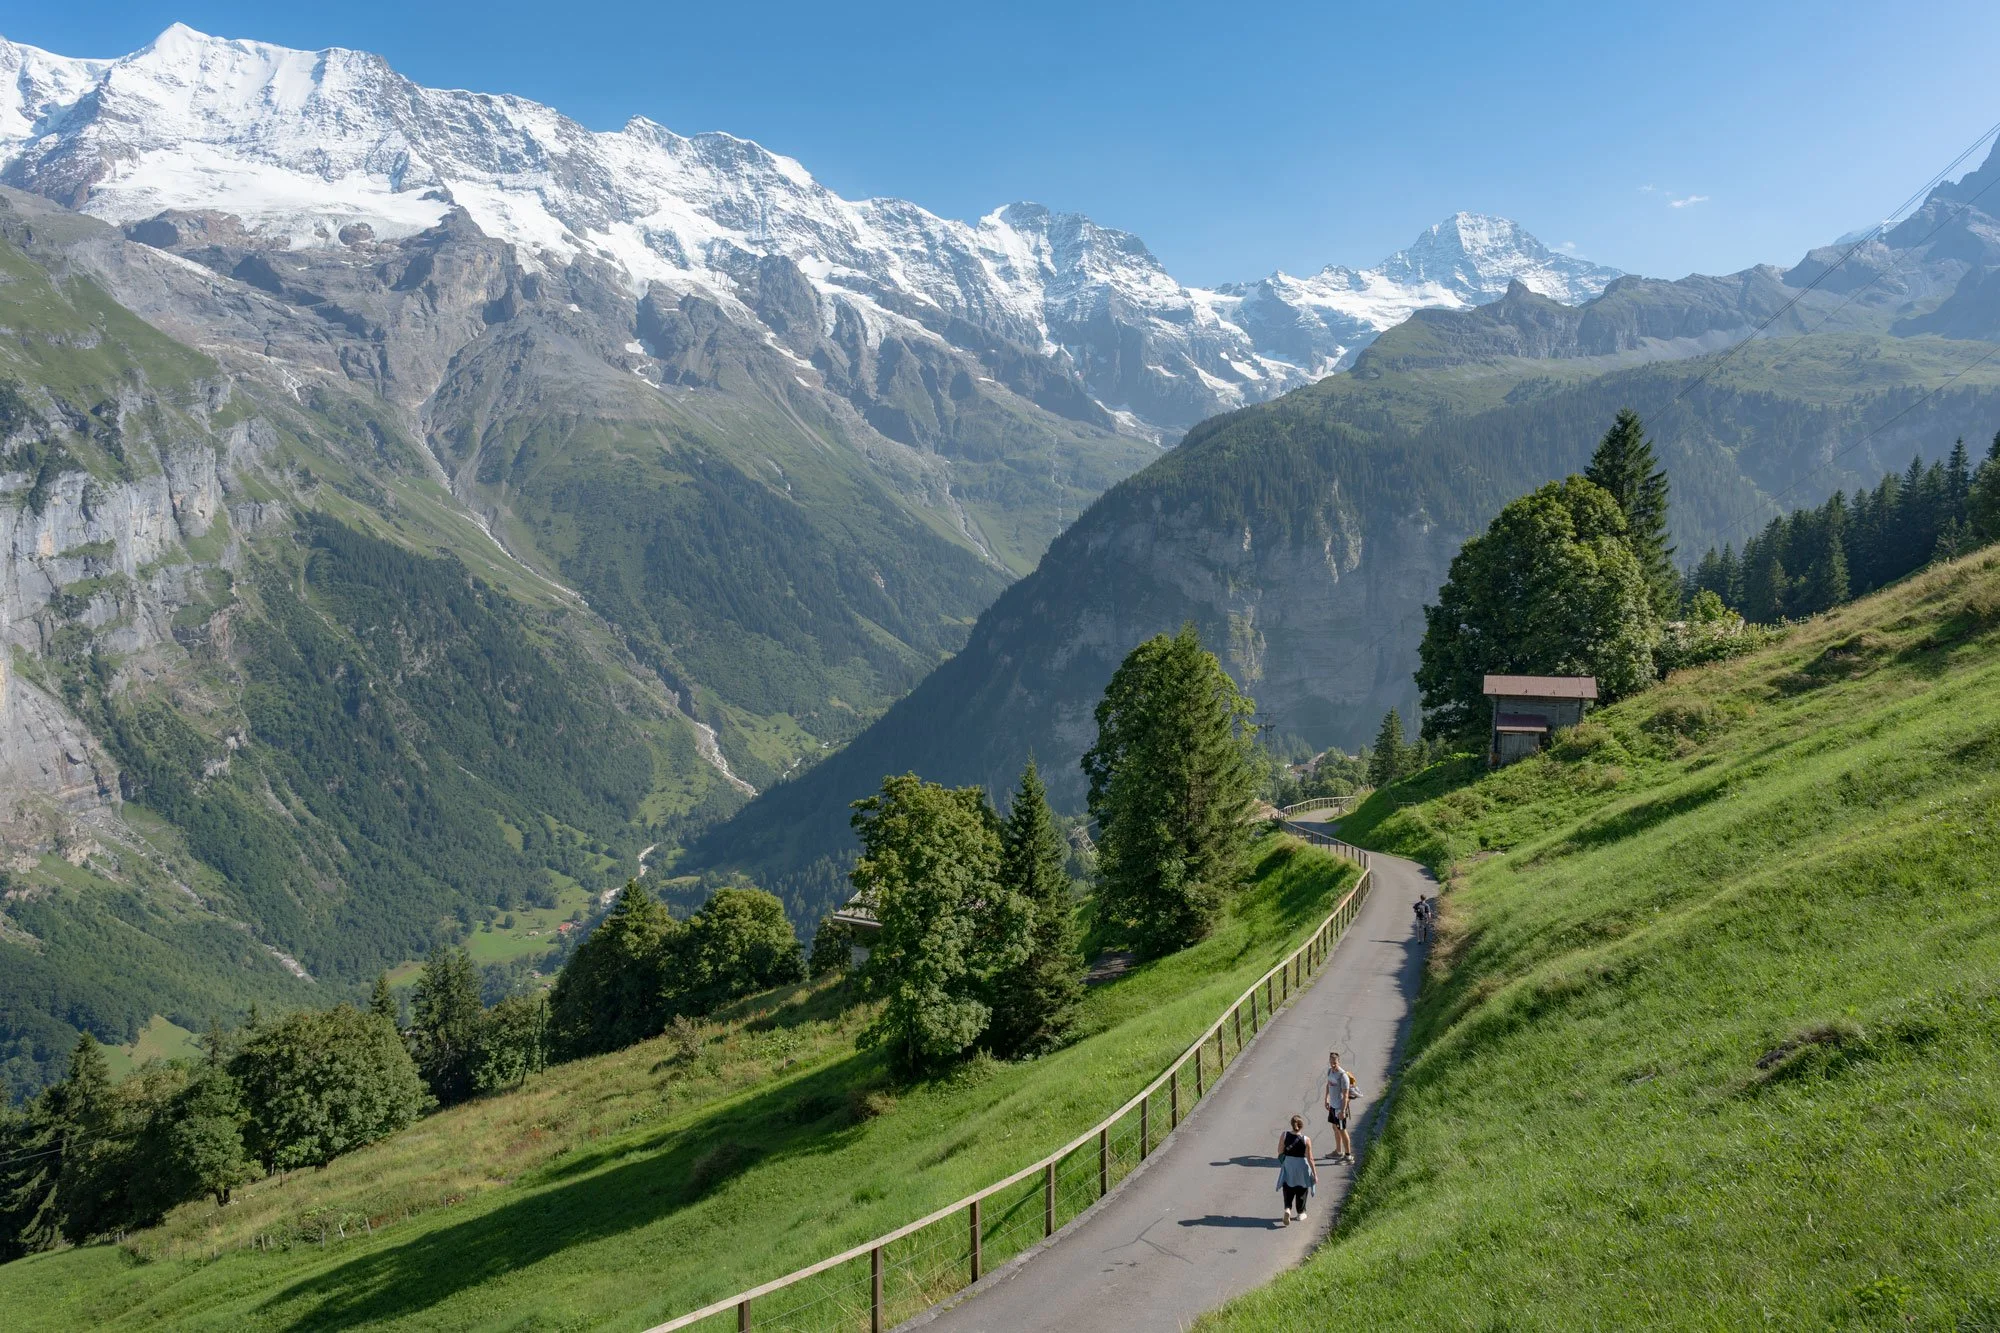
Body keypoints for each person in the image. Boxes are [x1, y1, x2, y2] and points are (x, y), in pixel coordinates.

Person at [1276, 1114, 1317, 1223]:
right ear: (1302, 1126)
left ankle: (1287, 1209)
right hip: (1302, 1166)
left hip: (1289, 1164)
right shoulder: (1306, 1140)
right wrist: (1314, 1174)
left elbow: (1280, 1151)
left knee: (1288, 1187)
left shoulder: (1284, 1135)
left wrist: (1285, 1161)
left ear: (1291, 1124)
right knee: (1301, 1190)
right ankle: (1300, 1213)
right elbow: (1310, 1158)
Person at [1324, 1050, 1357, 1161]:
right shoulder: (1330, 1072)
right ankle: (1338, 1152)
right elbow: (1328, 1085)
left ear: (1339, 1062)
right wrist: (1326, 1098)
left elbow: (1346, 1095)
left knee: (1342, 1130)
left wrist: (1343, 1111)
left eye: (1335, 1062)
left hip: (1339, 1108)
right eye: (1331, 1062)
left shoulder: (1343, 1076)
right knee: (1335, 1127)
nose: (1333, 1064)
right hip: (1333, 1106)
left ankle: (1348, 1156)